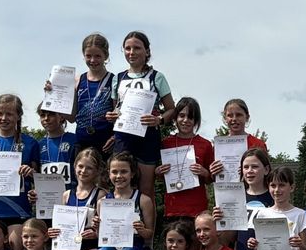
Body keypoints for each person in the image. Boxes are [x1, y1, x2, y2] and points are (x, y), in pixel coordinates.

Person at [104, 31, 174, 200]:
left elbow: (172, 109)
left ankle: (148, 227)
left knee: (146, 190)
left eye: (137, 48)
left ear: (147, 51)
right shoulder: (118, 78)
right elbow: (116, 109)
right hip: (123, 137)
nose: (131, 52)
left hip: (147, 136)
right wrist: (112, 116)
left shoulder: (157, 77)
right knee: (121, 188)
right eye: (127, 48)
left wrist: (159, 119)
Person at [0, 94, 40, 250]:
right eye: (0, 113)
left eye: (9, 114)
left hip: (18, 210)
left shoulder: (30, 143)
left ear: (18, 116)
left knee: (16, 247)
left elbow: (38, 179)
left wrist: (31, 173)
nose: (4, 118)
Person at [157, 97, 215, 222]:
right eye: (181, 116)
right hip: (173, 208)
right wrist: (158, 172)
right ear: (175, 117)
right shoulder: (165, 143)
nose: (185, 120)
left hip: (197, 209)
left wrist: (205, 172)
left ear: (196, 120)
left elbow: (211, 179)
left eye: (190, 117)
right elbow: (157, 175)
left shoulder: (205, 145)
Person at [68, 33, 116, 155]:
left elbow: (119, 114)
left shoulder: (114, 80)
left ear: (106, 55)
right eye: (88, 56)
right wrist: (53, 94)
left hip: (107, 144)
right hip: (82, 144)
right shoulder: (78, 81)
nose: (93, 60)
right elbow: (72, 117)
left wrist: (116, 137)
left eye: (98, 56)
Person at [36, 106, 77, 191]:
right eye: (42, 115)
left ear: (61, 116)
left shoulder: (74, 140)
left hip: (71, 194)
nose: (46, 119)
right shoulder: (38, 145)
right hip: (47, 196)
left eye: (51, 115)